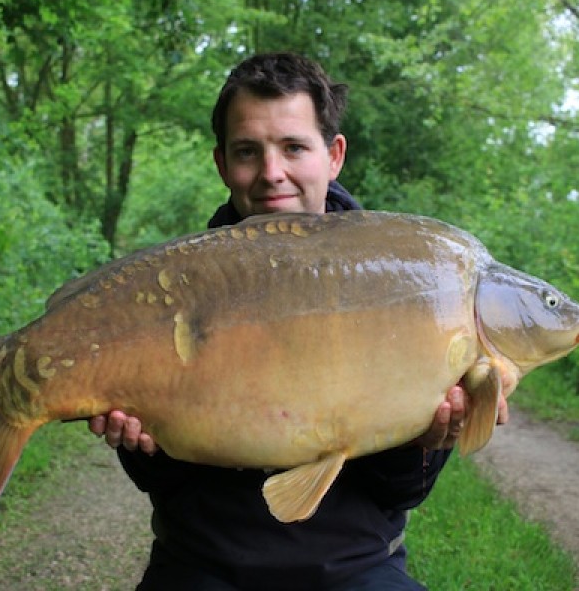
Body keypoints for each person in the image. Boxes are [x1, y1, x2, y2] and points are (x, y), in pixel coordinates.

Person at [88, 52, 508, 591]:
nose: (271, 173)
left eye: (293, 147)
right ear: (222, 164)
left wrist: (427, 440)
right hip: (201, 563)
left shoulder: (401, 277)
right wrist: (139, 441)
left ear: (332, 155)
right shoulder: (174, 286)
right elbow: (160, 481)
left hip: (354, 567)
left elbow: (402, 493)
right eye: (247, 152)